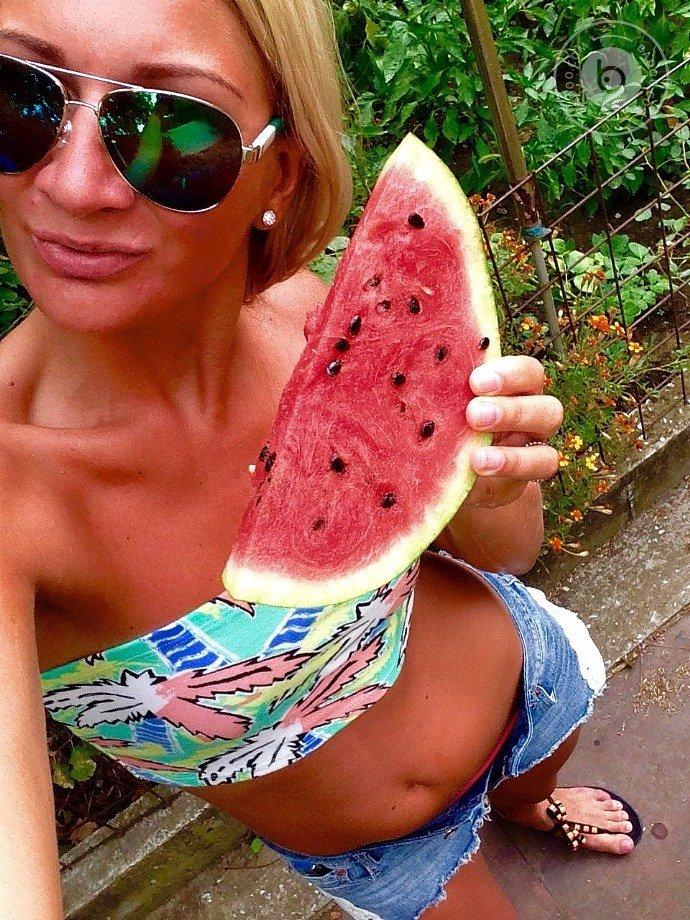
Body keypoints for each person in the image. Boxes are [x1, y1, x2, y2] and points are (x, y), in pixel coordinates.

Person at [0, 1, 641, 917]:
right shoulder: (13, 497)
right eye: (19, 96)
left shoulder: (315, 316)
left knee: (542, 758)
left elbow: (507, 556)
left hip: (529, 676)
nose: (74, 186)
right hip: (391, 856)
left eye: (173, 130)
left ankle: (531, 803)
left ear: (281, 172)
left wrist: (492, 486)